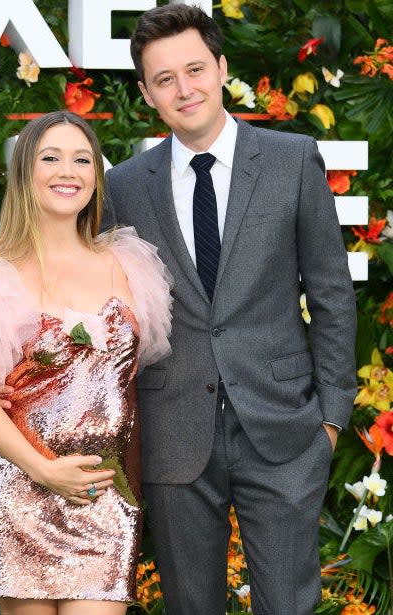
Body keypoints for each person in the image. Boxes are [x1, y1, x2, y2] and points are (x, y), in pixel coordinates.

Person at [102, 5, 357, 615]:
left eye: (194, 69)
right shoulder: (125, 186)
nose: (184, 88)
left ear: (220, 68)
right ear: (148, 94)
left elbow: (330, 294)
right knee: (191, 605)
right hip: (173, 435)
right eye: (165, 79)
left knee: (289, 604)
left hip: (286, 430)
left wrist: (331, 420)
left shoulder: (292, 160)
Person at [0, 110, 172, 615]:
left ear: (96, 176)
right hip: (20, 485)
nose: (67, 171)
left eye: (82, 159)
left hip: (101, 493)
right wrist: (43, 468)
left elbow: (130, 383)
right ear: (25, 173)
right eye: (49, 158)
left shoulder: (130, 263)